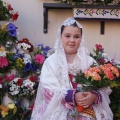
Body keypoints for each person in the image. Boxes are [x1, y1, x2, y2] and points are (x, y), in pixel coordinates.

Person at [31, 17, 113, 120]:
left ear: (81, 39)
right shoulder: (51, 62)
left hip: (87, 110)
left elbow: (103, 88)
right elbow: (47, 90)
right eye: (67, 36)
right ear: (60, 37)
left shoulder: (89, 62)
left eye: (76, 36)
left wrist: (94, 96)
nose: (72, 40)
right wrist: (72, 97)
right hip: (59, 110)